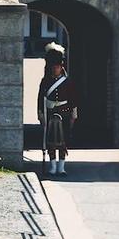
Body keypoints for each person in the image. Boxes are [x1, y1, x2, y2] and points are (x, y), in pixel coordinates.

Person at [37, 42, 78, 175]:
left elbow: (73, 99)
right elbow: (40, 98)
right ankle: (53, 167)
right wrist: (40, 113)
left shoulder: (68, 81)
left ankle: (61, 167)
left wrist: (74, 114)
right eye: (53, 67)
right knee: (50, 142)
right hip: (50, 112)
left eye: (57, 67)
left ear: (61, 67)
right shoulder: (45, 81)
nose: (55, 69)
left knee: (63, 141)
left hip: (64, 112)